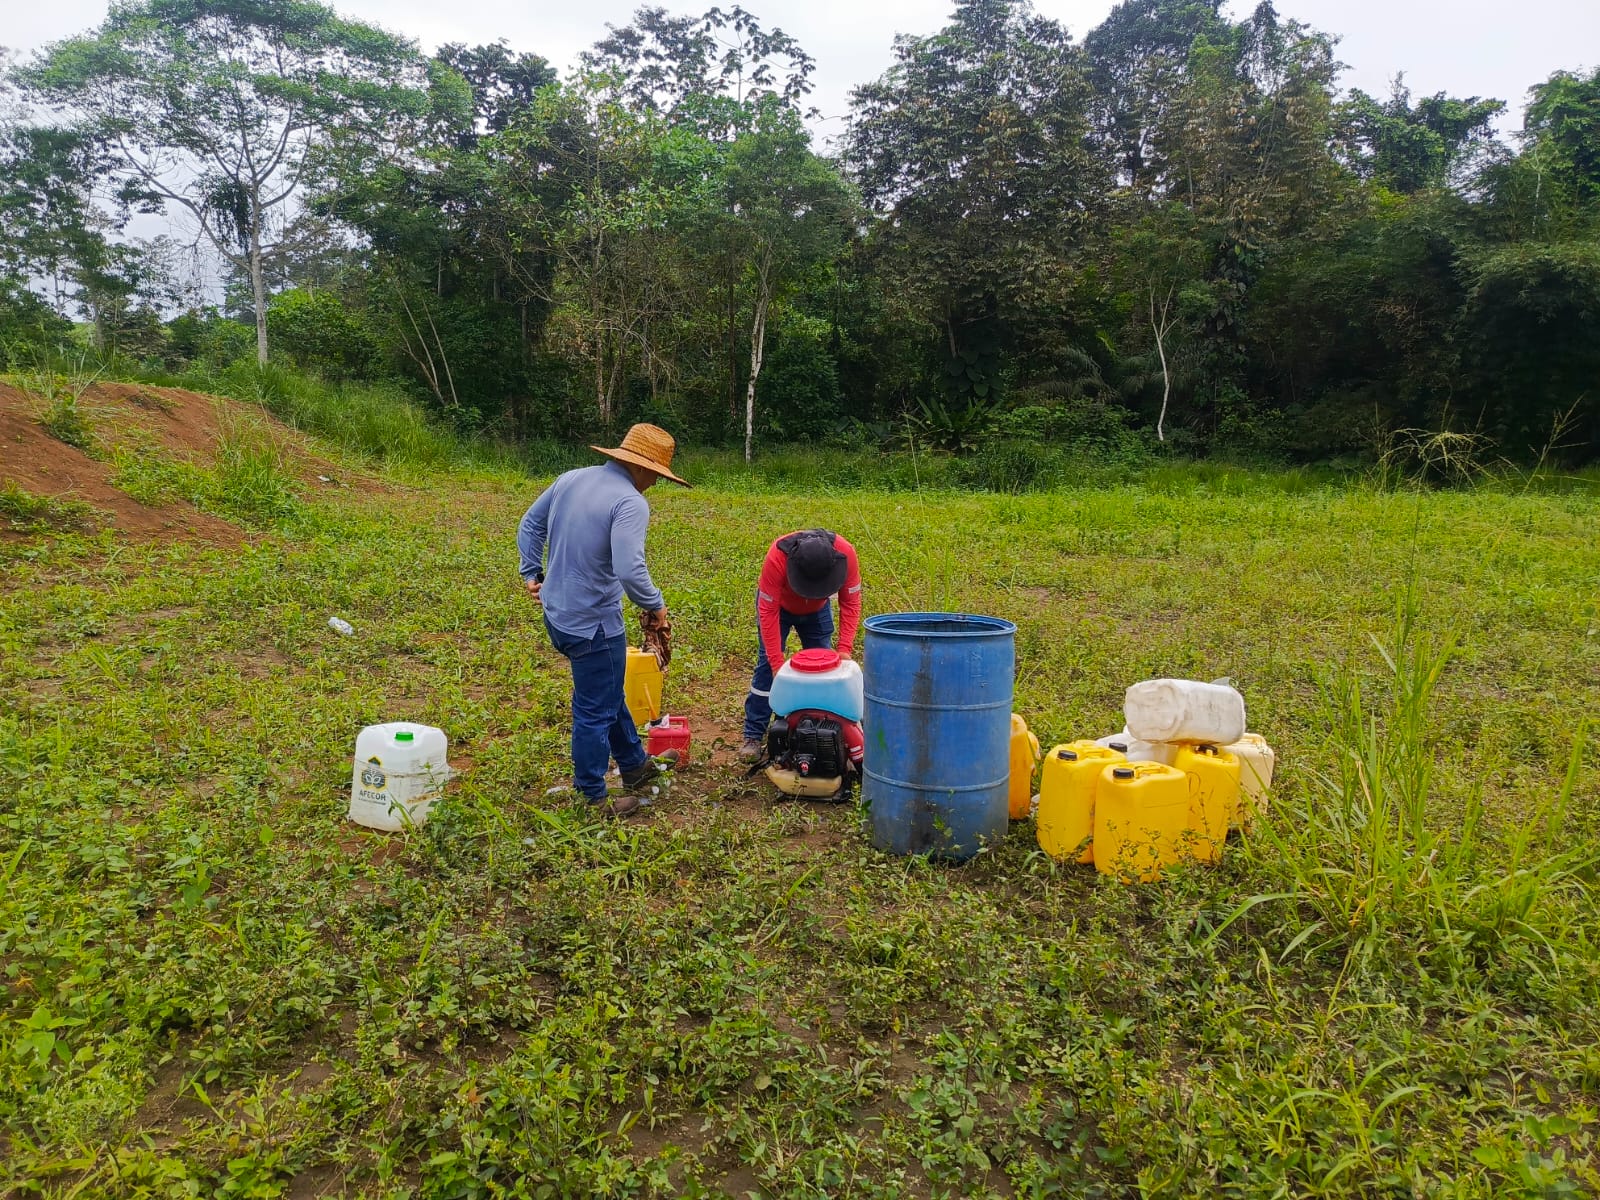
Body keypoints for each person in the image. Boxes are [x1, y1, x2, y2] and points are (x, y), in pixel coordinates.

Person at [518, 423, 689, 817]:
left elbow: (530, 524)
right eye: (656, 476)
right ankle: (591, 796)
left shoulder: (571, 479)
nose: (655, 484)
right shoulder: (630, 502)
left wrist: (531, 572)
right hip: (592, 625)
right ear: (642, 468)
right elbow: (630, 568)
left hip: (557, 616)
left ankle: (634, 766)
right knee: (594, 708)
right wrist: (656, 606)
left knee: (608, 690)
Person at [740, 529, 863, 761]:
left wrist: (845, 649)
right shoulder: (777, 557)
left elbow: (851, 602)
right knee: (766, 670)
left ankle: (824, 733)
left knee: (825, 673)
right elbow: (767, 611)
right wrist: (776, 663)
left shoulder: (846, 553)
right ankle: (753, 735)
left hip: (818, 610)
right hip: (779, 609)